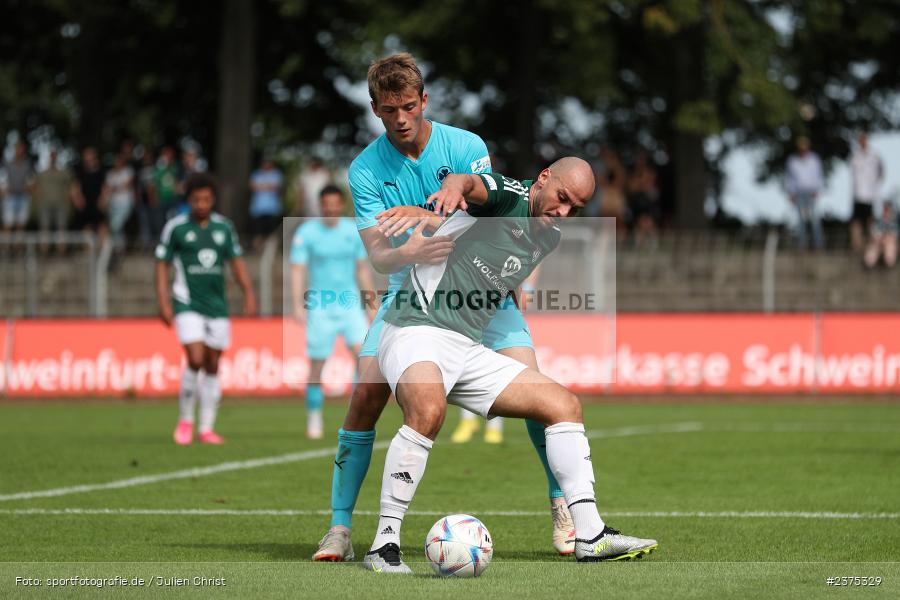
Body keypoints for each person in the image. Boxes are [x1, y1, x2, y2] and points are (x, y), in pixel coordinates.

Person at [312, 53, 576, 563]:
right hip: (409, 295)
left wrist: (418, 217)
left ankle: (562, 507)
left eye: (409, 106)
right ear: (375, 108)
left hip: (483, 293)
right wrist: (407, 251)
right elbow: (377, 253)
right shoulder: (365, 169)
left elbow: (483, 218)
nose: (401, 118)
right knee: (364, 398)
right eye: (389, 110)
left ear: (424, 100)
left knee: (538, 390)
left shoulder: (466, 146)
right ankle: (341, 529)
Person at [362, 159, 657, 572]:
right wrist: (454, 187)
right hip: (417, 328)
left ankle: (589, 534)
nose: (564, 213)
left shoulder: (548, 236)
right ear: (542, 179)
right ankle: (384, 544)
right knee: (428, 411)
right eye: (561, 198)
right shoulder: (510, 196)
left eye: (576, 207)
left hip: (466, 348)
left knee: (564, 405)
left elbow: (477, 238)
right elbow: (475, 188)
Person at [155, 173, 257, 445]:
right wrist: (163, 301)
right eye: (196, 199)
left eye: (207, 199)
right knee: (196, 358)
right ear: (189, 200)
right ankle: (186, 419)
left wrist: (248, 292)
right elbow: (162, 264)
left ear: (213, 200)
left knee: (212, 364)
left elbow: (236, 262)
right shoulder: (176, 228)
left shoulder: (223, 228)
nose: (201, 204)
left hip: (217, 306)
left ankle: (207, 427)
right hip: (186, 302)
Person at [290, 184, 375, 439]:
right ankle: (314, 417)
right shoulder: (307, 233)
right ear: (321, 205)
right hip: (320, 306)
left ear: (340, 205)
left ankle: (355, 415)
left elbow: (362, 269)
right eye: (325, 203)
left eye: (334, 203)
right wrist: (297, 303)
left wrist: (371, 303)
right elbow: (297, 269)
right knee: (317, 364)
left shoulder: (352, 232)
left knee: (362, 358)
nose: (330, 208)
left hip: (349, 304)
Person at [785, 136, 825, 250]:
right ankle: (801, 246)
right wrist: (791, 193)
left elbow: (819, 176)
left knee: (814, 220)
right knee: (800, 220)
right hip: (798, 194)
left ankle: (818, 245)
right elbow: (790, 179)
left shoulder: (814, 160)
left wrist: (817, 190)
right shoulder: (792, 161)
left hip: (811, 193)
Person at [33, 149, 76, 252]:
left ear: (57, 158)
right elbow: (36, 188)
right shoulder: (42, 174)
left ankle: (61, 254)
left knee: (62, 229)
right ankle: (44, 254)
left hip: (61, 204)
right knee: (44, 229)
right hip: (45, 204)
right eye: (51, 156)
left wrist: (69, 201)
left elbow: (71, 187)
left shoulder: (64, 173)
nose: (53, 158)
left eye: (54, 156)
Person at [849, 132, 884, 252]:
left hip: (870, 194)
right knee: (856, 221)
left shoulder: (875, 156)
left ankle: (871, 243)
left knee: (870, 220)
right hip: (858, 194)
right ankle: (856, 244)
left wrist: (875, 186)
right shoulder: (855, 156)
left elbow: (881, 173)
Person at [101, 153, 136, 250]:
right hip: (113, 204)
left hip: (125, 203)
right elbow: (107, 189)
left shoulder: (128, 171)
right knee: (114, 226)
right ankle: (119, 247)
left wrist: (113, 188)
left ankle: (120, 247)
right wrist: (104, 200)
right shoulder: (110, 174)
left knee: (117, 225)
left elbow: (127, 185)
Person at [249, 158, 284, 250]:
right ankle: (258, 250)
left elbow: (277, 187)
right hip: (258, 209)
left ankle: (272, 251)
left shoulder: (276, 174)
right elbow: (253, 187)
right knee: (258, 232)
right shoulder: (256, 174)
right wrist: (268, 186)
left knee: (272, 232)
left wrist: (261, 186)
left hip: (272, 209)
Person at [73, 147, 107, 239]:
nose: (87, 157)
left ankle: (104, 250)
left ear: (94, 156)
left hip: (97, 201)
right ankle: (90, 249)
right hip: (85, 202)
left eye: (89, 154)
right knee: (86, 225)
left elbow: (104, 187)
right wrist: (78, 199)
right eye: (85, 155)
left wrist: (103, 200)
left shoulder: (101, 170)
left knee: (100, 224)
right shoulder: (80, 171)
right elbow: (77, 186)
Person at [3, 142, 34, 233]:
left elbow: (30, 180)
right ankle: (4, 246)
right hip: (10, 196)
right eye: (18, 150)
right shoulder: (8, 164)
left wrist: (30, 190)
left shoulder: (27, 165)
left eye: (21, 150)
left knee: (21, 224)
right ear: (15, 150)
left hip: (23, 197)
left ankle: (18, 247)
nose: (19, 152)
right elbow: (3, 178)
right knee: (8, 223)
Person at [863, 200, 898, 269]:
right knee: (871, 255)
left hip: (888, 244)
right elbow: (874, 236)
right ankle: (869, 267)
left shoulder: (894, 223)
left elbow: (894, 237)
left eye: (888, 210)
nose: (886, 212)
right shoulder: (877, 222)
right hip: (877, 244)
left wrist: (884, 239)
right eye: (885, 210)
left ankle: (889, 267)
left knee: (890, 250)